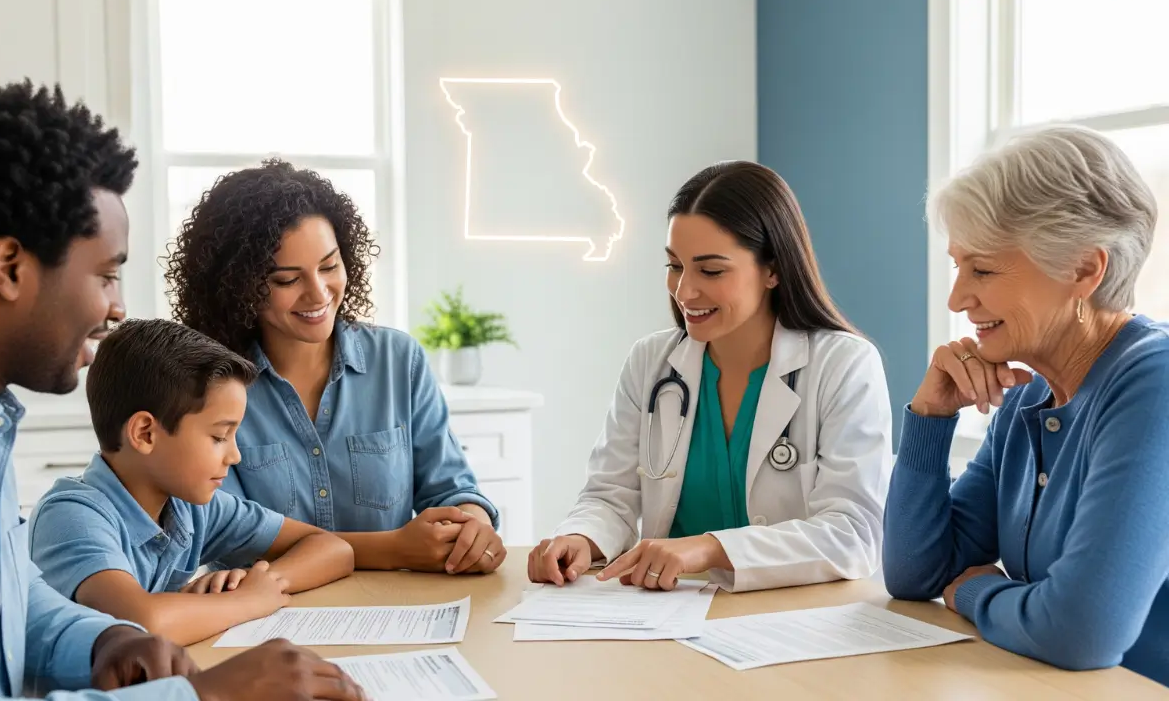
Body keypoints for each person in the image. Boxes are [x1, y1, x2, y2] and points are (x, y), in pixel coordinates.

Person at [0, 70, 364, 700]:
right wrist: (206, 695)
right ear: (10, 267)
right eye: (106, 275)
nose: (115, 308)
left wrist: (103, 640)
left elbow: (10, 597)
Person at [883, 125, 1169, 685]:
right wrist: (931, 417)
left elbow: (1081, 631)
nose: (957, 299)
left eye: (983, 270)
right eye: (958, 266)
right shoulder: (1030, 396)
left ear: (1084, 270)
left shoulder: (1154, 383)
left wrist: (978, 591)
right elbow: (917, 572)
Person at [528, 161, 892, 593]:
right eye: (674, 266)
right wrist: (581, 537)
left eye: (711, 271)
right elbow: (610, 496)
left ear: (773, 269)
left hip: (789, 613)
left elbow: (852, 534)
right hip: (667, 610)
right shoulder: (651, 361)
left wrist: (709, 549)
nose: (684, 291)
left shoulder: (843, 364)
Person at [164, 160, 505, 575]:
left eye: (329, 266)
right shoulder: (205, 387)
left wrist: (471, 524)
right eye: (287, 280)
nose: (319, 293)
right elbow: (232, 536)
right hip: (267, 608)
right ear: (238, 286)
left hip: (395, 603)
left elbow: (450, 489)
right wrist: (392, 550)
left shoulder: (398, 361)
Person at [30, 318, 355, 645]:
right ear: (145, 434)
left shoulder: (188, 508)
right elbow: (141, 623)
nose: (235, 456)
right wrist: (249, 601)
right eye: (219, 436)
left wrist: (263, 581)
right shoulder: (71, 516)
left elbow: (334, 549)